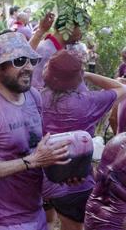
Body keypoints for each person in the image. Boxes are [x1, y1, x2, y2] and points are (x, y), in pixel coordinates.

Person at [0, 32, 71, 230]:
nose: (29, 67)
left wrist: (64, 166)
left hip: (35, 211)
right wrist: (33, 161)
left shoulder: (33, 96)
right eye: (20, 61)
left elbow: (35, 148)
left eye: (31, 60)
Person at [41, 50, 126, 230]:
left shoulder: (38, 97)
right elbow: (122, 89)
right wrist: (86, 75)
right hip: (76, 181)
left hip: (44, 177)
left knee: (56, 222)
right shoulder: (87, 103)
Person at [31, 11, 90, 90]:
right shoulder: (46, 51)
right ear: (69, 26)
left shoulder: (63, 50)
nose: (82, 36)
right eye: (82, 29)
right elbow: (36, 87)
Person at [84, 133, 126, 230]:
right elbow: (112, 179)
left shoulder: (119, 139)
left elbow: (102, 175)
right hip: (116, 219)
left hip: (94, 209)